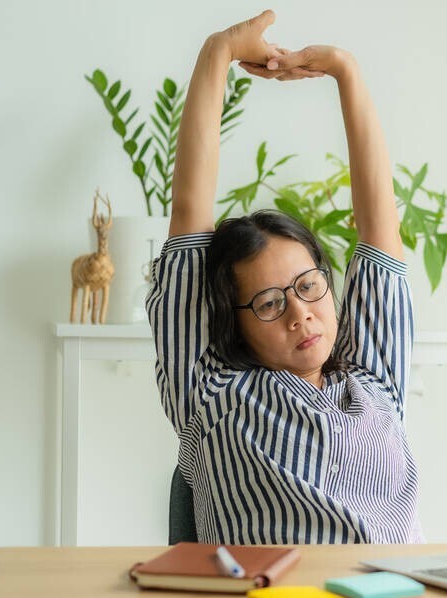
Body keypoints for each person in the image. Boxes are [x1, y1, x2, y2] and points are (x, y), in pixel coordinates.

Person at [146, 10, 424, 544]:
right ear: (235, 323)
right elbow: (188, 213)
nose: (301, 314)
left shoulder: (374, 381)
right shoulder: (211, 391)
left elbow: (381, 229)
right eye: (270, 304)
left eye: (308, 286)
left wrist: (345, 71)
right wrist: (218, 53)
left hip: (392, 591)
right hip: (273, 596)